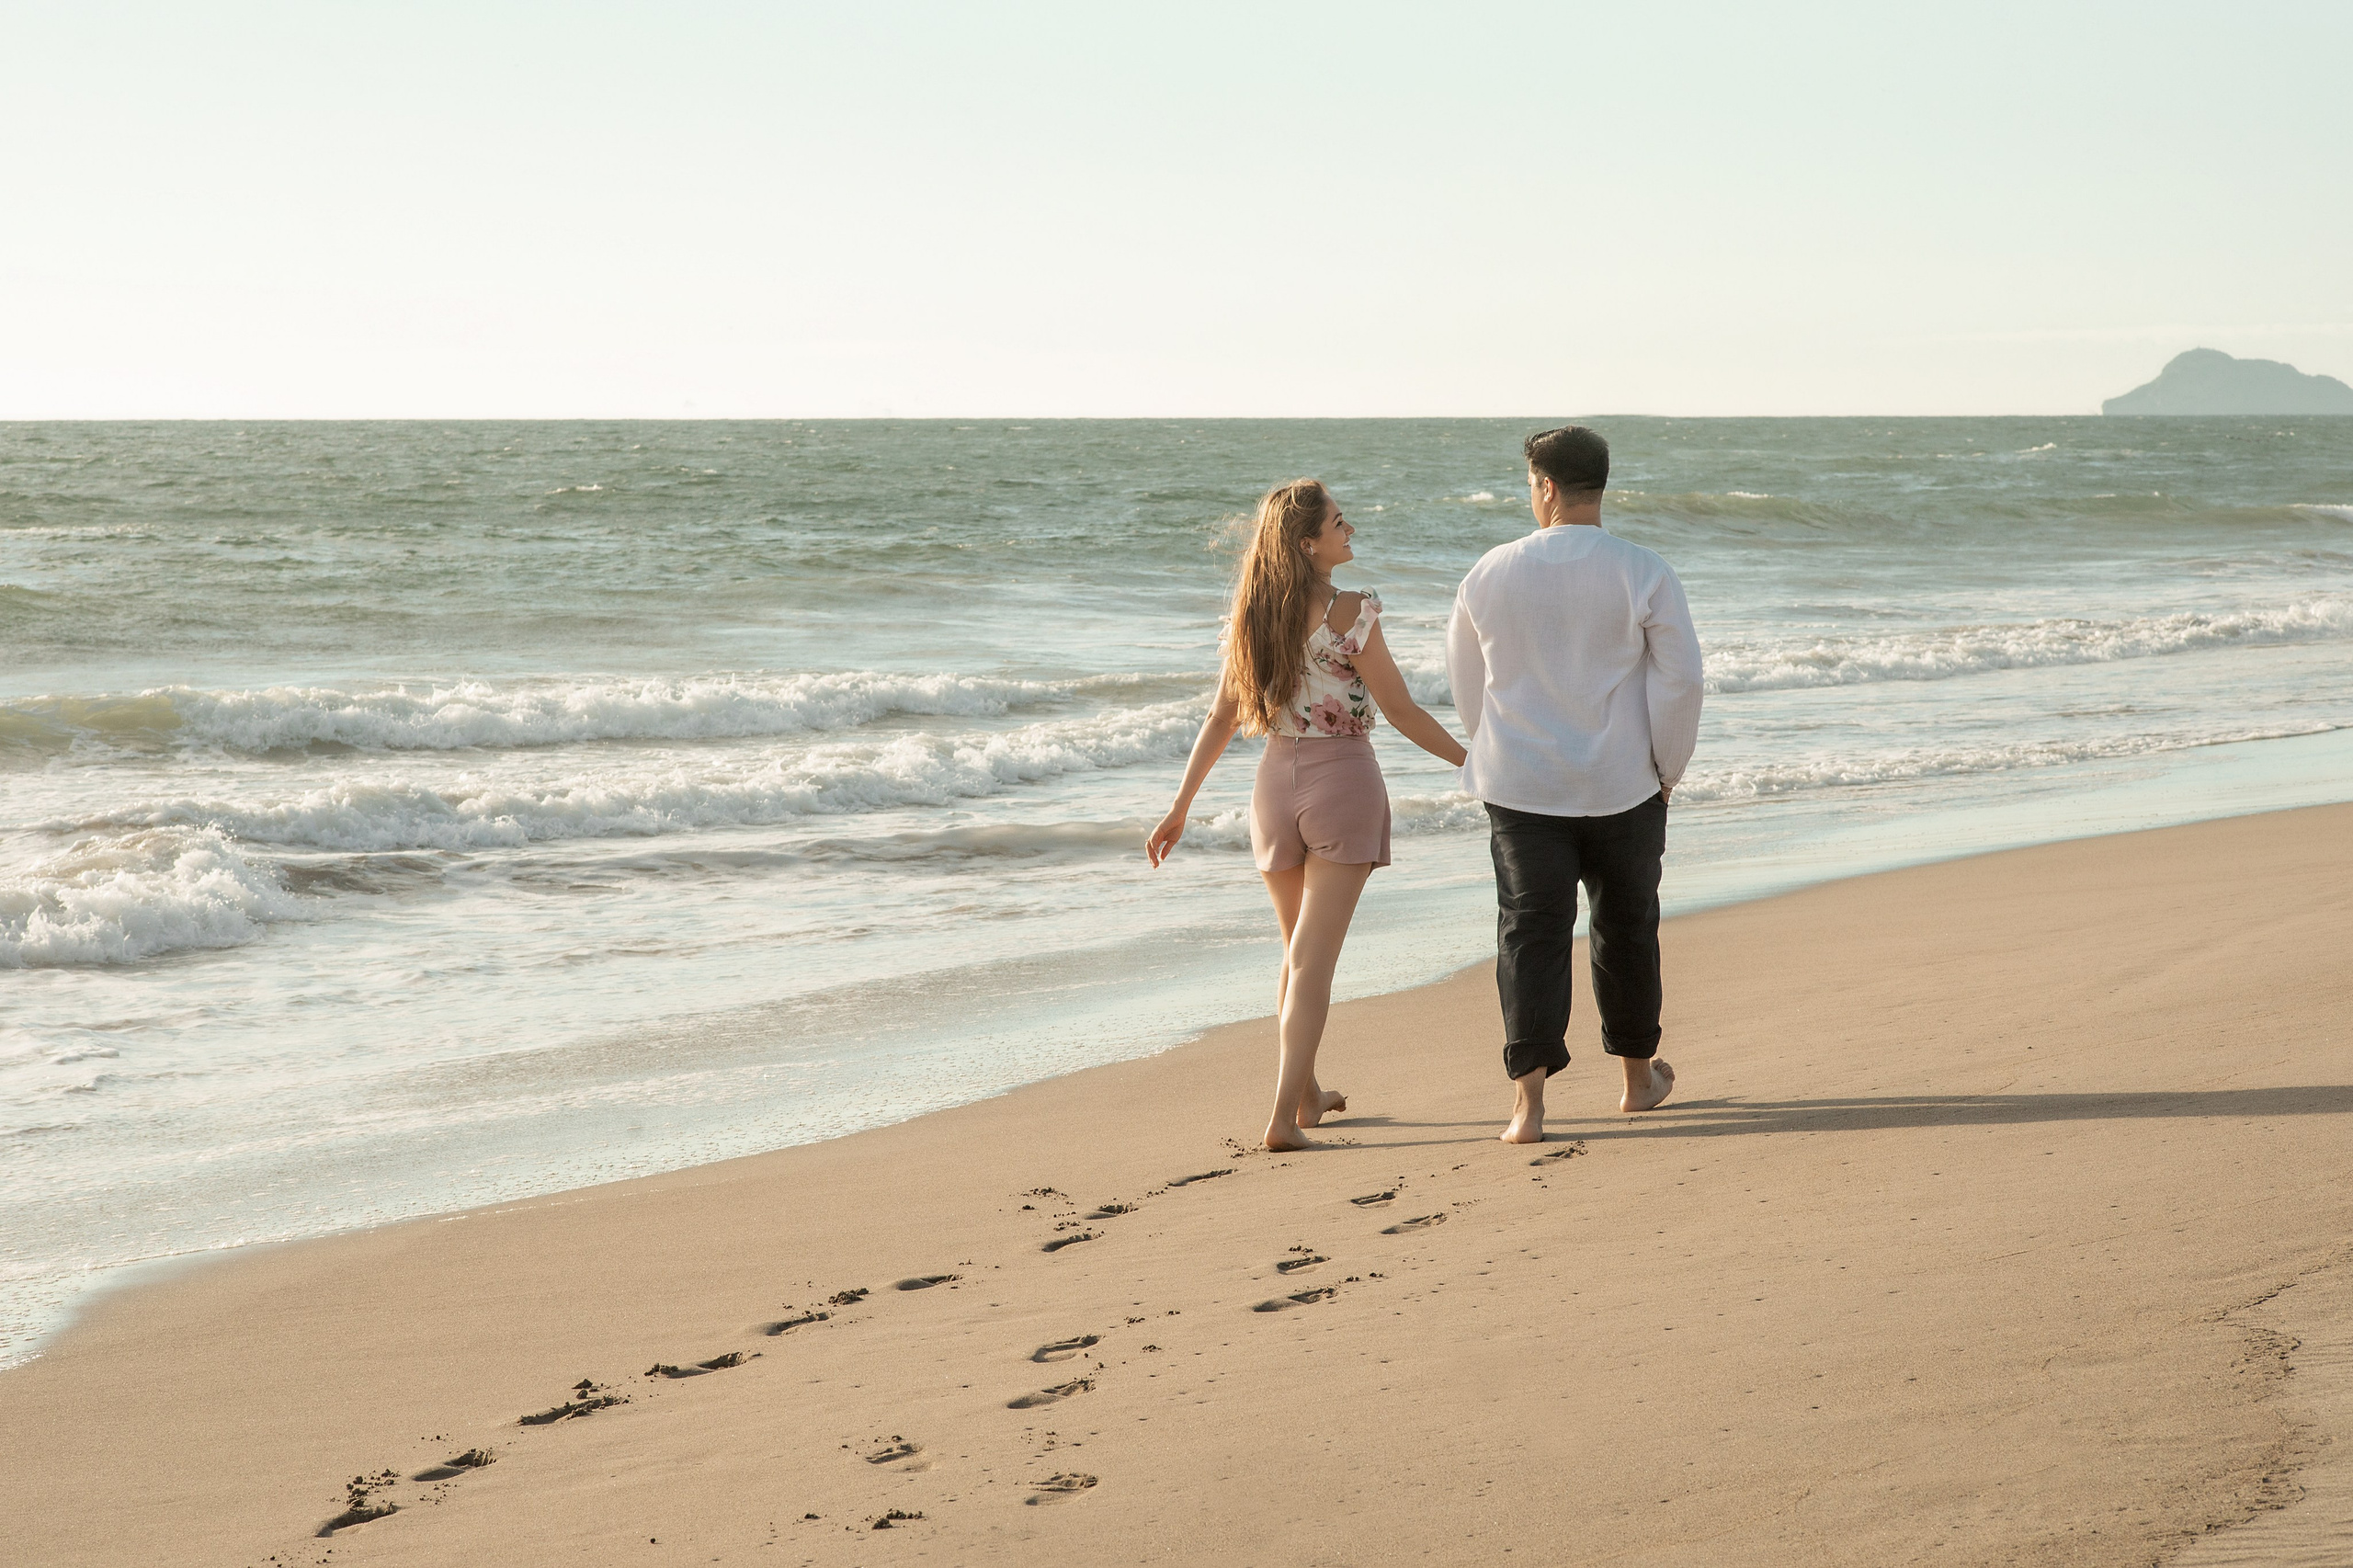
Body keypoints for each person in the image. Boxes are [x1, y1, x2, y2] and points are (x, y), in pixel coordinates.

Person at [1149, 479, 1468, 1151]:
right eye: (1339, 523)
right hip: (1341, 781)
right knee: (1313, 960)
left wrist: (1181, 807)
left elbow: (1222, 716)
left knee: (1295, 952)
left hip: (1272, 786)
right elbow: (1403, 711)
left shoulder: (1253, 616)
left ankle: (1309, 1094)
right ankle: (1279, 1120)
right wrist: (1474, 763)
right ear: (1307, 542)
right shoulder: (1351, 610)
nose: (1349, 530)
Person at [1445, 426, 1703, 1144]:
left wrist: (1499, 750)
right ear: (1600, 485)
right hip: (1624, 782)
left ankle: (1528, 1105)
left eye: (1531, 485)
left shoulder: (1489, 572)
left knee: (1530, 932)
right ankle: (1636, 1081)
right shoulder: (1644, 569)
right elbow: (1681, 681)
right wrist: (1666, 770)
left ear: (1547, 487)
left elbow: (1470, 689)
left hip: (1523, 786)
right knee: (1626, 929)